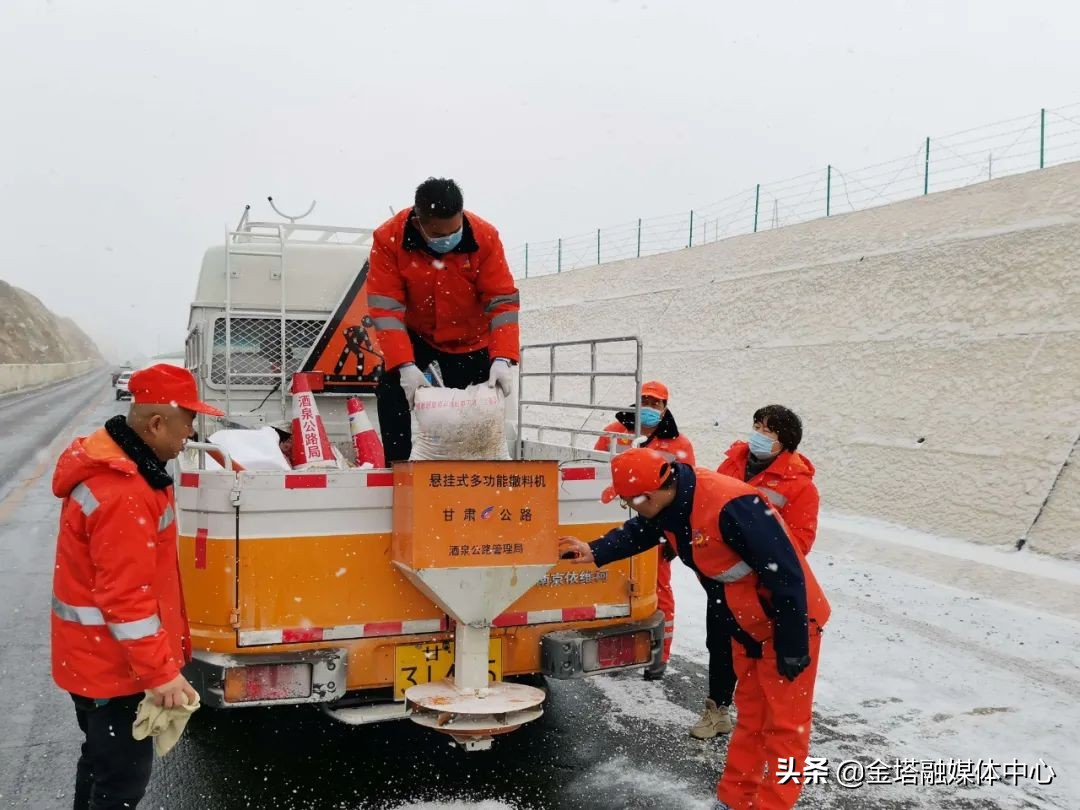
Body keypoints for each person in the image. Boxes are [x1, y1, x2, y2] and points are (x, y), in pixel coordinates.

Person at [559, 448, 830, 810]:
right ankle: (735, 800)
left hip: (788, 624)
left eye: (629, 502)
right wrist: (595, 550)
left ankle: (774, 804)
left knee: (785, 729)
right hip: (744, 624)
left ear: (649, 495)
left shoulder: (733, 505)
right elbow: (642, 530)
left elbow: (786, 573)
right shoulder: (670, 503)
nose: (630, 509)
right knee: (751, 721)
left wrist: (793, 643)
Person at [51, 364, 222, 809]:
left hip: (93, 658)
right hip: (111, 668)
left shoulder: (127, 469)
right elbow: (126, 598)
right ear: (156, 423)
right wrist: (161, 673)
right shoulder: (123, 490)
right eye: (187, 424)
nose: (189, 436)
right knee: (121, 783)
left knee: (100, 764)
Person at [368, 177, 520, 462]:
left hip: (471, 339)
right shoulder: (389, 239)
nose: (449, 241)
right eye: (439, 236)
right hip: (418, 334)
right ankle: (398, 470)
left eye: (455, 232)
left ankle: (477, 473)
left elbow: (502, 302)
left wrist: (502, 357)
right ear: (419, 224)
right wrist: (405, 365)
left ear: (462, 215)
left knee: (478, 411)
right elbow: (385, 311)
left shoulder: (485, 237)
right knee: (391, 392)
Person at [594, 380, 695, 680]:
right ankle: (613, 653)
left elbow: (687, 491)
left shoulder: (679, 445)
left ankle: (658, 655)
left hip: (656, 527)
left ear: (665, 408)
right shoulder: (614, 432)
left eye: (656, 403)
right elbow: (596, 469)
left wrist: (675, 538)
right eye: (646, 401)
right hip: (615, 524)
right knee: (613, 587)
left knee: (659, 591)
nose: (650, 408)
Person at [717, 404, 819, 555]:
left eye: (767, 431)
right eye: (756, 427)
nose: (758, 434)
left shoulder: (800, 486)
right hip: (719, 562)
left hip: (761, 568)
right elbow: (708, 504)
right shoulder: (731, 463)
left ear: (784, 441)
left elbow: (800, 543)